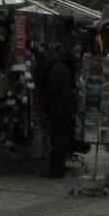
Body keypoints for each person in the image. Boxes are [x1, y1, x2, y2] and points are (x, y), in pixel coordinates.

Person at [36, 47, 79, 179]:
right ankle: (58, 169)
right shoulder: (66, 71)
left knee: (56, 140)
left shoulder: (53, 69)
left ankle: (54, 169)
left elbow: (50, 91)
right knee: (61, 140)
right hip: (64, 109)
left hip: (56, 109)